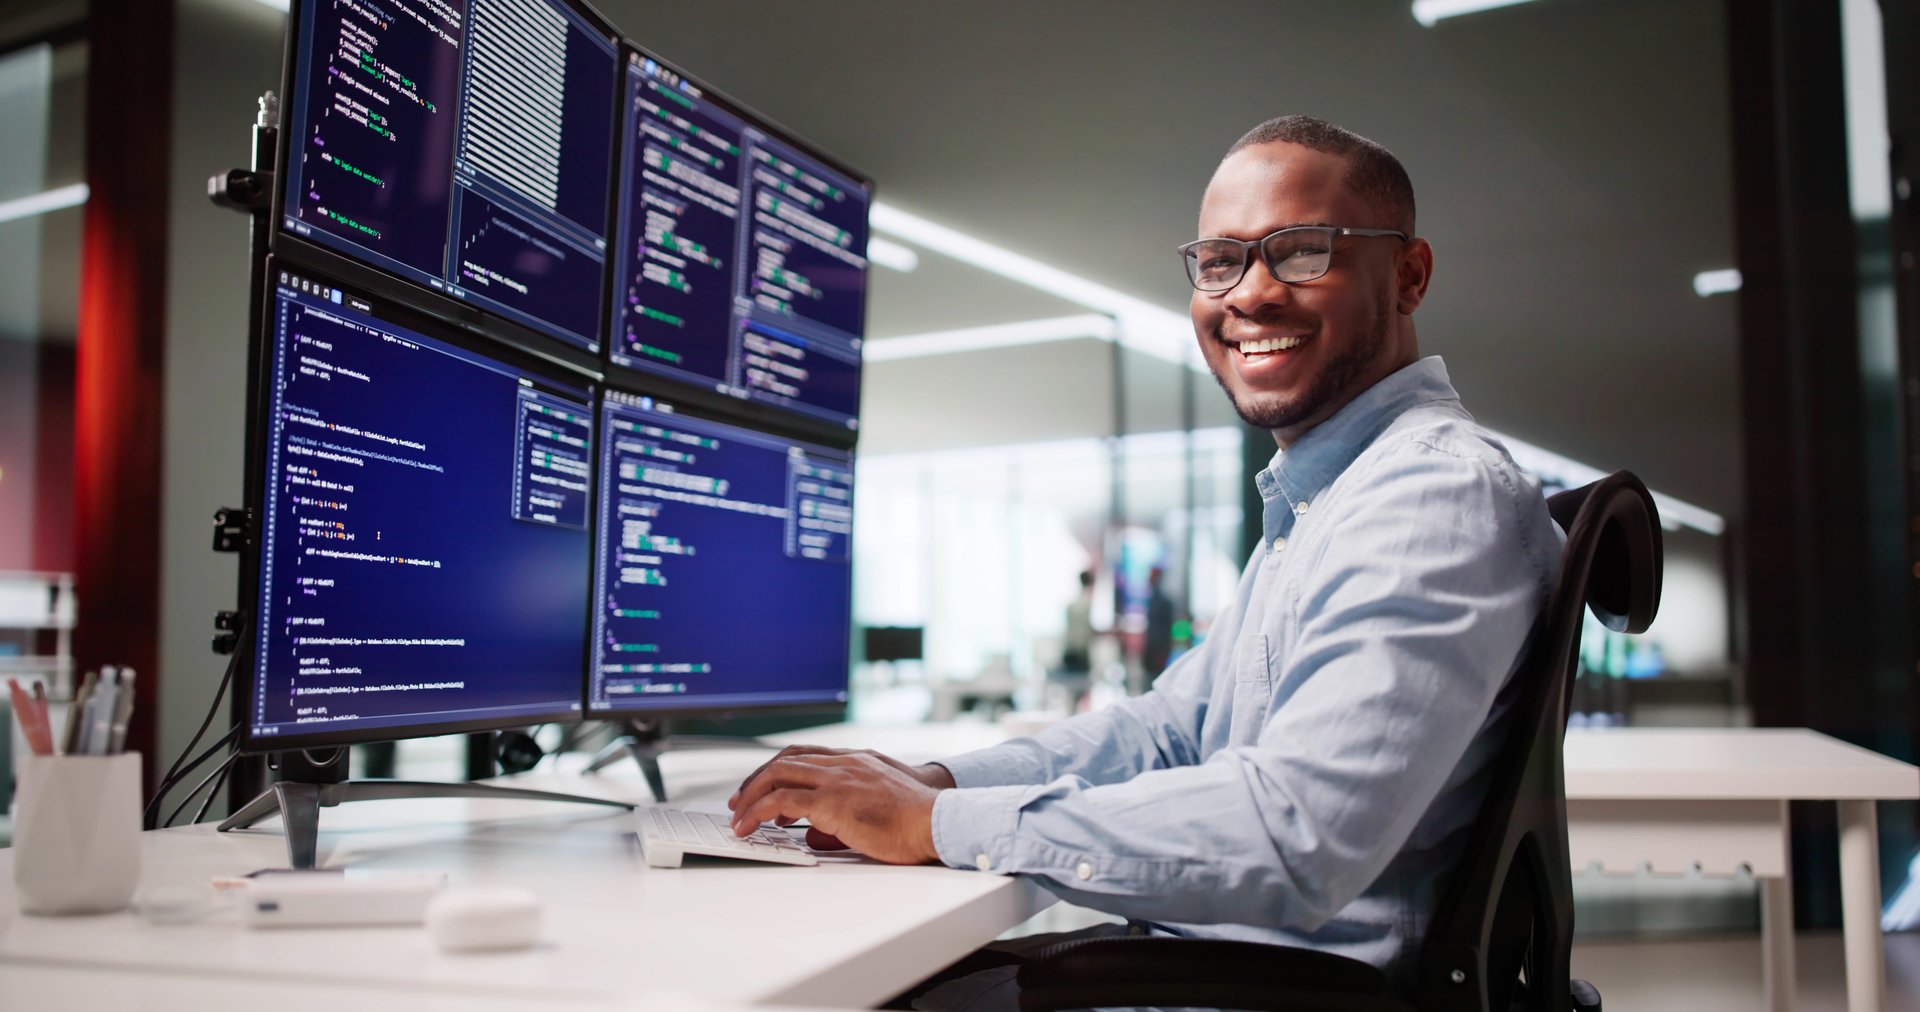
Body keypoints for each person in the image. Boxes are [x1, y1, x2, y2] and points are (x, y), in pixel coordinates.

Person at [726, 114, 1562, 1007]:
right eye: (1220, 260)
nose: (1251, 292)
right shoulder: (1327, 502)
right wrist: (937, 782)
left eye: (1302, 252)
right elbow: (1166, 731)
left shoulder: (1427, 497)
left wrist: (937, 823)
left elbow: (1298, 834)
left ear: (1408, 274)